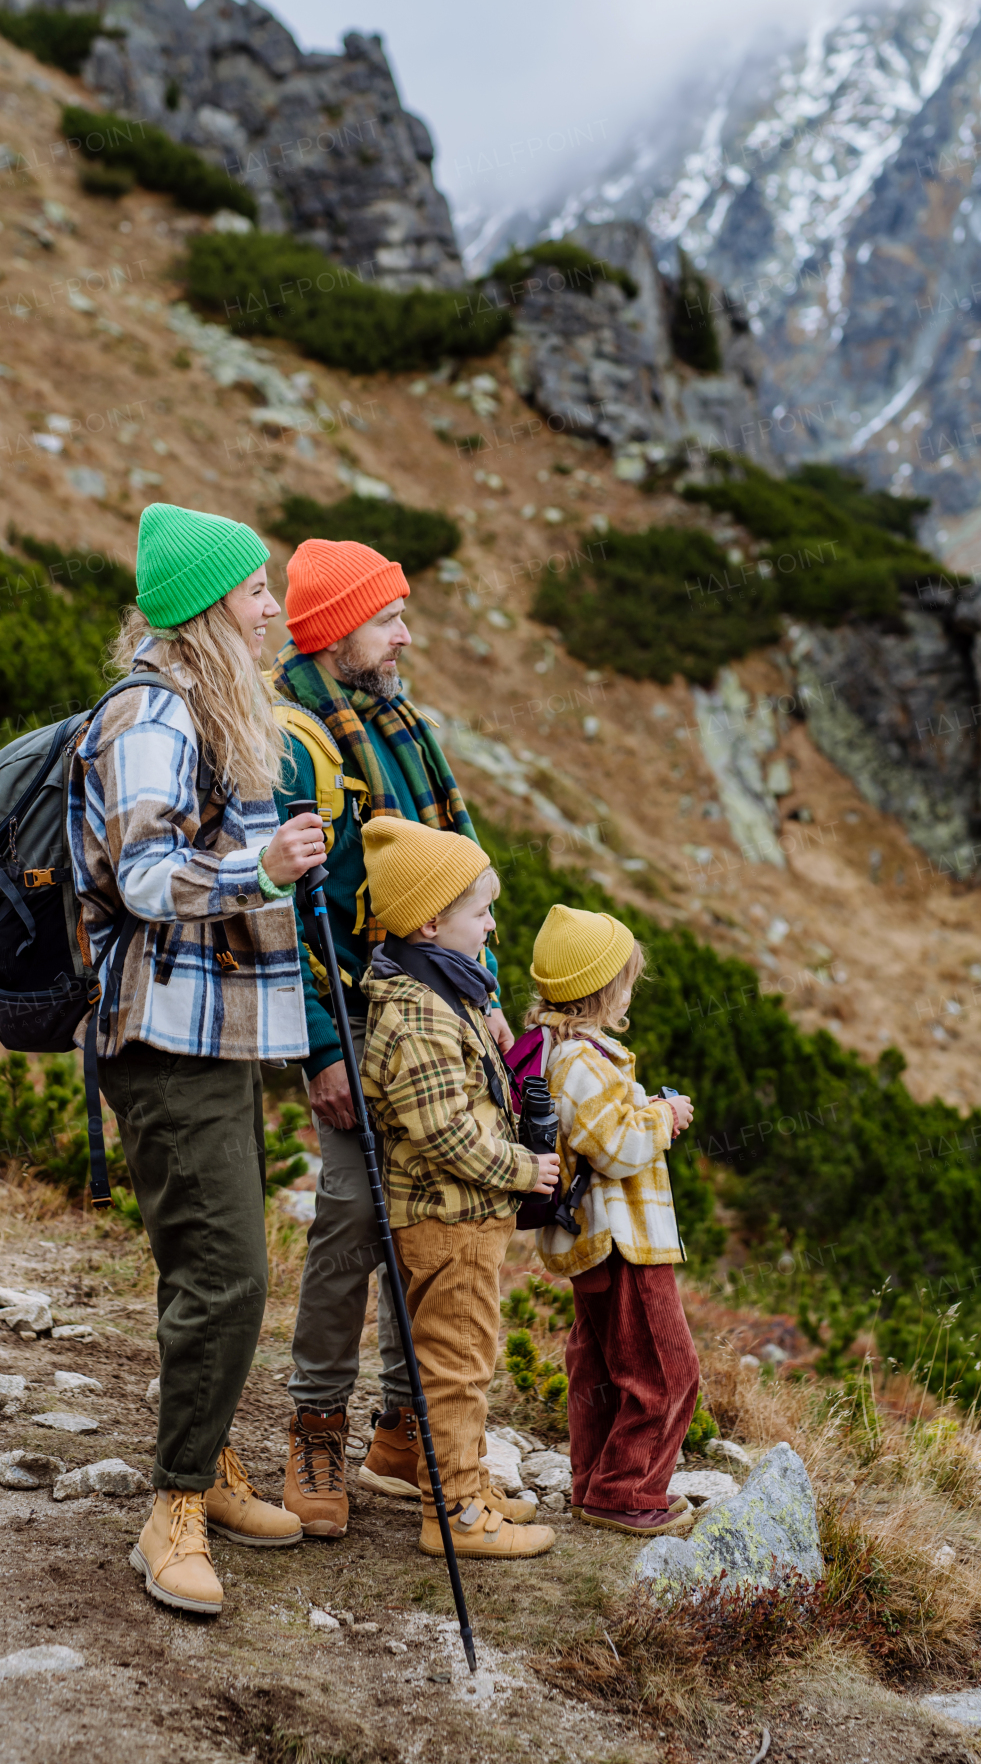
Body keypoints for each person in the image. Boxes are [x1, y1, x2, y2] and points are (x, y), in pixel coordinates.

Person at [68, 502, 328, 1615]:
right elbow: (140, 878)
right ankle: (171, 1509)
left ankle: (210, 1464)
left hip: (216, 1034)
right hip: (165, 1034)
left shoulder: (214, 710)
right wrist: (259, 869)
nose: (272, 608)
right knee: (229, 1273)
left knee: (201, 1263)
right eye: (256, 590)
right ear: (207, 606)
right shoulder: (151, 718)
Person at [267, 537, 515, 1538]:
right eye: (386, 619)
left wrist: (483, 991)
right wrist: (323, 1048)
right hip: (357, 1013)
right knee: (350, 1220)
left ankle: (403, 1434)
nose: (404, 634)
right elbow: (288, 909)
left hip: (437, 1011)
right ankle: (316, 1429)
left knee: (436, 1217)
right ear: (335, 634)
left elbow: (453, 878)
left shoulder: (399, 724)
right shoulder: (296, 739)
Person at [358, 815, 559, 1560]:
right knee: (459, 1363)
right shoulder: (417, 1016)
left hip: (460, 1217)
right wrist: (522, 1169)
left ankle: (448, 1475)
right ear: (433, 921)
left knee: (453, 1355)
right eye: (482, 912)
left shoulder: (447, 992)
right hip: (449, 1219)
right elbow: (443, 1132)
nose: (493, 925)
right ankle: (457, 1514)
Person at [526, 903, 699, 1537]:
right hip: (625, 1240)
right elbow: (617, 1146)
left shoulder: (559, 1054)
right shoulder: (583, 1061)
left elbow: (596, 1130)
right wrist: (665, 1116)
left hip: (595, 1239)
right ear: (602, 991)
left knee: (599, 1366)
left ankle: (592, 1482)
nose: (631, 989)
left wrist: (642, 1109)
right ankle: (627, 1493)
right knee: (666, 1370)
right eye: (625, 979)